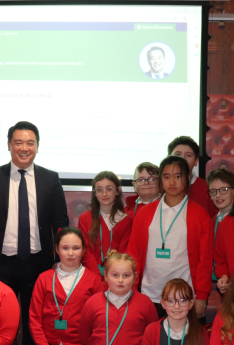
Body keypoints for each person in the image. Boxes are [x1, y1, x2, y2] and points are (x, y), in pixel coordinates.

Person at [0, 121, 69, 345]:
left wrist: (63, 259)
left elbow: (61, 221)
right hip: (1, 265)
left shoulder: (50, 178)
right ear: (8, 146)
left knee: (35, 325)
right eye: (18, 142)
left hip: (38, 265)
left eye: (30, 143)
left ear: (37, 146)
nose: (24, 148)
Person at [128, 156, 212, 319]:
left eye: (178, 176)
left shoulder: (200, 215)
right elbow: (134, 254)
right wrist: (132, 289)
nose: (172, 182)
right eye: (166, 177)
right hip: (148, 294)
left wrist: (201, 296)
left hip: (184, 298)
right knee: (150, 342)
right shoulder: (145, 214)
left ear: (188, 178)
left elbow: (205, 260)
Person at [29, 228, 105, 345]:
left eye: (76, 248)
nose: (70, 253)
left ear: (83, 250)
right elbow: (35, 320)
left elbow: (99, 324)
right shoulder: (43, 279)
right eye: (65, 248)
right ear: (57, 249)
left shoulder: (94, 281)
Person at [78, 251, 158, 345]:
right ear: (105, 275)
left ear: (135, 277)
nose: (120, 280)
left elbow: (152, 336)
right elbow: (84, 336)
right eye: (115, 275)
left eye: (126, 275)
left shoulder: (145, 303)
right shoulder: (92, 302)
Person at [78, 171, 133, 276]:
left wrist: (111, 275)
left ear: (117, 191)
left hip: (117, 276)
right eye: (99, 190)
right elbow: (85, 251)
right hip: (90, 274)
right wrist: (96, 274)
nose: (104, 194)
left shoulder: (126, 220)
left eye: (109, 189)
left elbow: (124, 253)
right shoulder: (85, 218)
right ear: (95, 193)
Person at [168, 136, 217, 216]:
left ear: (196, 161)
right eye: (177, 154)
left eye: (188, 155)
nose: (182, 158)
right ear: (168, 158)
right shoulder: (160, 186)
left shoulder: (208, 188)